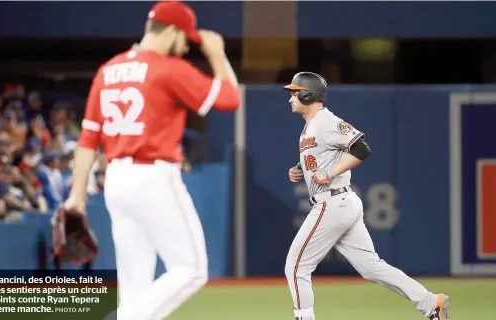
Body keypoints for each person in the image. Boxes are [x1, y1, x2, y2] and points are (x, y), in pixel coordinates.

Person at [63, 1, 240, 320]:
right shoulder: (167, 68)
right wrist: (216, 53)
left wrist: (76, 194)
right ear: (171, 31)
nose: (186, 47)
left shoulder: (108, 70)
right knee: (192, 269)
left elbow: (89, 138)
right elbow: (230, 98)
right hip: (153, 178)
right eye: (185, 39)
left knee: (135, 288)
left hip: (115, 180)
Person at [283, 72, 450, 320]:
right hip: (341, 203)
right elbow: (322, 154)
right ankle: (429, 302)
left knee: (296, 267)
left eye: (296, 92)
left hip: (332, 203)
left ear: (309, 94)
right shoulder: (311, 126)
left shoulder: (326, 121)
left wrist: (330, 172)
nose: (291, 98)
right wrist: (300, 169)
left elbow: (361, 148)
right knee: (371, 267)